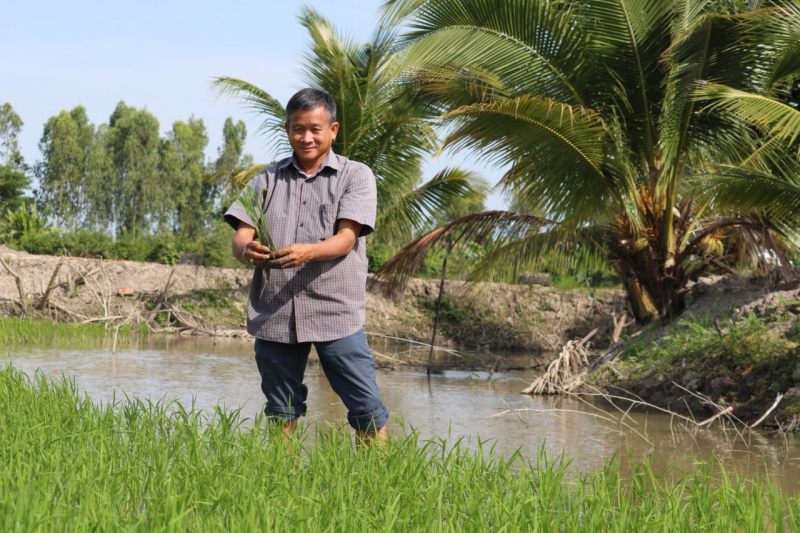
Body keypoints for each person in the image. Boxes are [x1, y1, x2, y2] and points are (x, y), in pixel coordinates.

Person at [224, 88, 389, 446]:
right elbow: (241, 236)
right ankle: (282, 485)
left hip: (336, 310)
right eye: (298, 129)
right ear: (287, 130)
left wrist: (308, 252)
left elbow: (346, 239)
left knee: (365, 407)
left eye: (315, 128)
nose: (307, 137)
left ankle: (377, 483)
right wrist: (246, 250)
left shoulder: (356, 176)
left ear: (333, 129)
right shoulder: (266, 179)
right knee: (281, 408)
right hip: (276, 312)